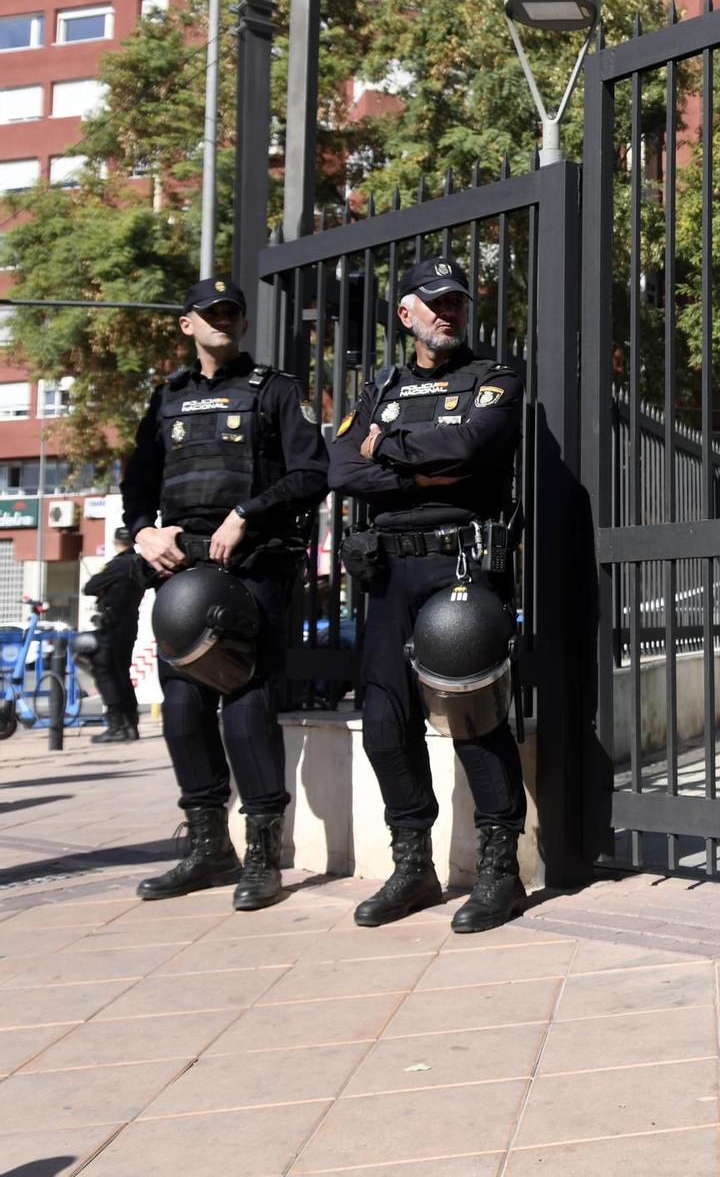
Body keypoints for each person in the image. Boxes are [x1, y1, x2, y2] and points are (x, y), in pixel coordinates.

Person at [329, 258, 528, 934]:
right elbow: (343, 467)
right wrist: (423, 468)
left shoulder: (494, 377)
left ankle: (501, 873)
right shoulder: (381, 386)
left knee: (472, 716)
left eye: (458, 303)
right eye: (434, 303)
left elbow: (472, 449)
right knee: (385, 724)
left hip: (463, 565)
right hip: (389, 574)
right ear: (406, 313)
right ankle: (412, 867)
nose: (449, 313)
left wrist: (393, 450)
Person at [123, 277, 330, 909]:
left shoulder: (274, 391)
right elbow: (137, 484)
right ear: (187, 325)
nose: (222, 320)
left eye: (231, 312)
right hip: (180, 570)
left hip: (253, 565)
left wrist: (247, 514)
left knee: (245, 701)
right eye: (210, 313)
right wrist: (141, 534)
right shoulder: (166, 398)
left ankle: (263, 852)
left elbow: (312, 474)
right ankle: (209, 847)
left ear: (241, 324)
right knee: (183, 708)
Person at [83, 527, 145, 743]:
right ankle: (130, 725)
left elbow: (90, 587)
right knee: (121, 675)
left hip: (112, 627)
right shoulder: (138, 563)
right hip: (128, 626)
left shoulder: (119, 564)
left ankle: (117, 725)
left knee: (105, 672)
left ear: (115, 541)